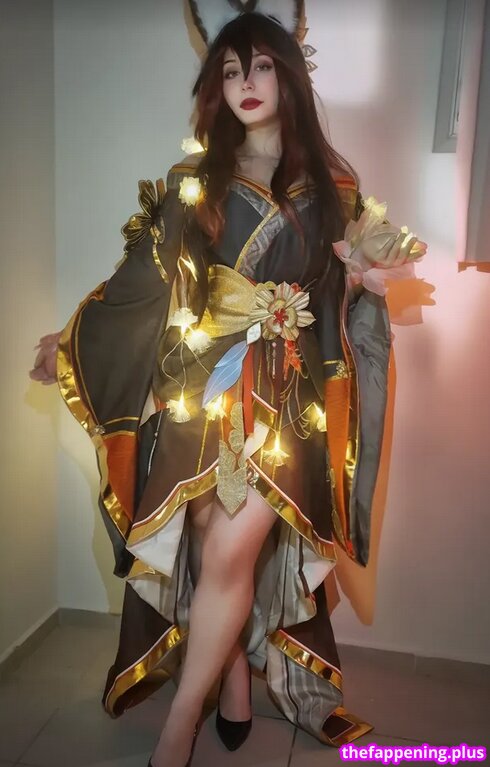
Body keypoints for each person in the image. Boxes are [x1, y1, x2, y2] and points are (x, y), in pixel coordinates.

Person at [30, 6, 426, 767]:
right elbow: (144, 281)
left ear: (289, 75)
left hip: (289, 404)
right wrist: (75, 338)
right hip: (203, 390)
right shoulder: (195, 180)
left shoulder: (336, 188)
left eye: (262, 66)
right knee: (216, 547)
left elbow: (340, 303)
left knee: (229, 554)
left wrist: (360, 280)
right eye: (232, 69)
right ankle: (235, 679)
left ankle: (180, 724)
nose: (247, 82)